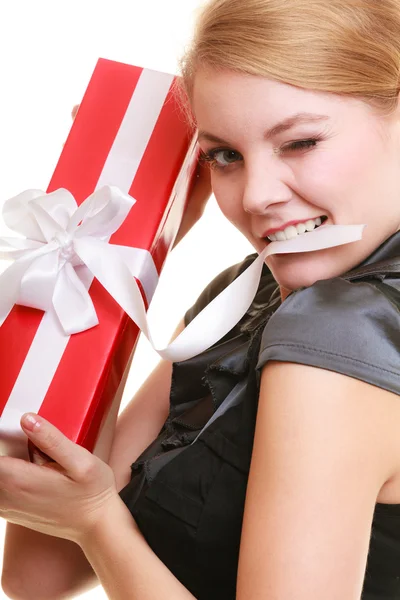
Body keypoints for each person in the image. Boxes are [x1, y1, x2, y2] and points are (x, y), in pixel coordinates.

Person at [1, 0, 400, 598]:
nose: (257, 196)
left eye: (300, 142)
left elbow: (59, 551)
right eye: (226, 155)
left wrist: (98, 522)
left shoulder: (337, 333)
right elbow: (39, 575)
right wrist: (136, 246)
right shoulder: (255, 292)